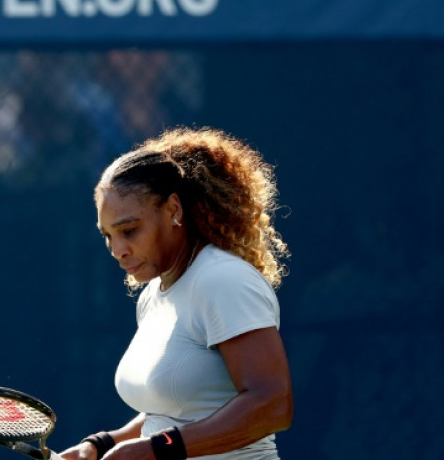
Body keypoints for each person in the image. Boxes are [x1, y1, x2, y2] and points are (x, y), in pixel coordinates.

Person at [61, 127, 293, 460]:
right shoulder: (153, 294)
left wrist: (157, 449)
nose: (118, 250)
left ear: (173, 210)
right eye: (108, 236)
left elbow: (273, 403)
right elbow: (173, 411)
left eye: (129, 230)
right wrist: (104, 443)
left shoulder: (223, 280)